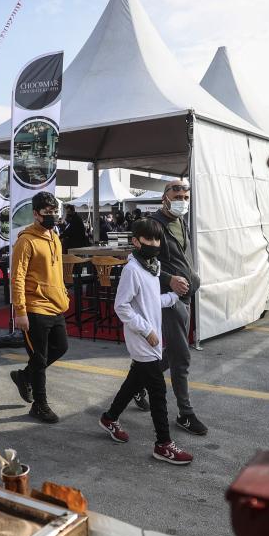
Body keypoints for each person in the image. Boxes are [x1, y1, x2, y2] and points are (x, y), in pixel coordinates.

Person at [99, 219, 194, 465]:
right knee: (158, 390)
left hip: (152, 338)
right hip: (142, 339)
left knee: (134, 382)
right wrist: (146, 330)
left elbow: (150, 301)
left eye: (157, 239)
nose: (154, 243)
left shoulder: (153, 267)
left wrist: (173, 296)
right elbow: (121, 306)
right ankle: (163, 444)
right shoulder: (132, 270)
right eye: (148, 239)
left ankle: (110, 417)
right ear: (136, 241)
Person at [144, 179, 208, 436]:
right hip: (169, 296)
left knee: (173, 352)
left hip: (186, 294)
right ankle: (185, 413)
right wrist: (168, 279)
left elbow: (184, 255)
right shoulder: (153, 225)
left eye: (185, 197)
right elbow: (142, 262)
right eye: (177, 195)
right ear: (165, 197)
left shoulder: (181, 221)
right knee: (181, 355)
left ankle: (139, 381)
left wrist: (193, 278)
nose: (182, 200)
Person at [8, 191, 69, 423]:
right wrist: (20, 311)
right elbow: (17, 277)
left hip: (56, 306)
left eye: (54, 211)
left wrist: (63, 293)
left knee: (61, 347)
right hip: (35, 308)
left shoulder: (54, 237)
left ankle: (24, 376)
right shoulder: (25, 241)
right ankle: (40, 405)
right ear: (36, 214)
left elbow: (56, 271)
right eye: (47, 212)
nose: (52, 215)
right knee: (39, 358)